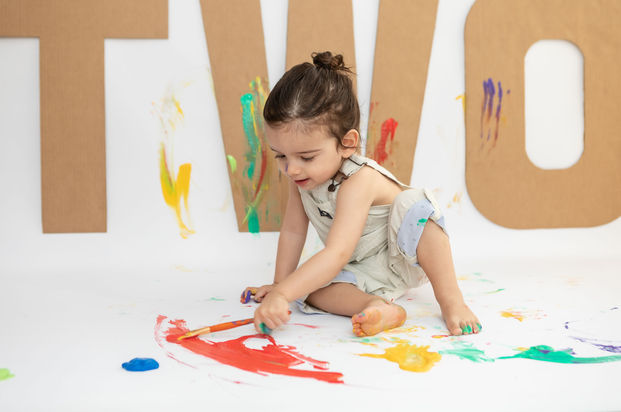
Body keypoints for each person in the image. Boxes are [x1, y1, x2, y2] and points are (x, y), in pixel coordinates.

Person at [241, 51, 481, 337]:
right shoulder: (301, 179)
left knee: (417, 209)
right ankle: (376, 307)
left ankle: (452, 301)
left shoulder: (359, 180)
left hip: (403, 254)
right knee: (307, 290)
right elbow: (293, 232)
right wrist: (282, 287)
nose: (291, 169)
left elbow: (337, 252)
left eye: (306, 157)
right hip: (362, 267)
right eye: (281, 156)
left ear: (347, 143)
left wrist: (284, 292)